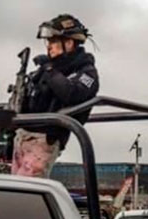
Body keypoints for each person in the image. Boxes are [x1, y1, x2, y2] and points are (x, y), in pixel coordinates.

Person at [13, 14, 99, 178]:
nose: (49, 47)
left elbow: (72, 93)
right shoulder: (45, 69)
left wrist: (49, 69)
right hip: (23, 135)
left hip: (45, 138)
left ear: (68, 43)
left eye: (53, 41)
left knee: (26, 192)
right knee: (15, 190)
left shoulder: (86, 72)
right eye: (49, 42)